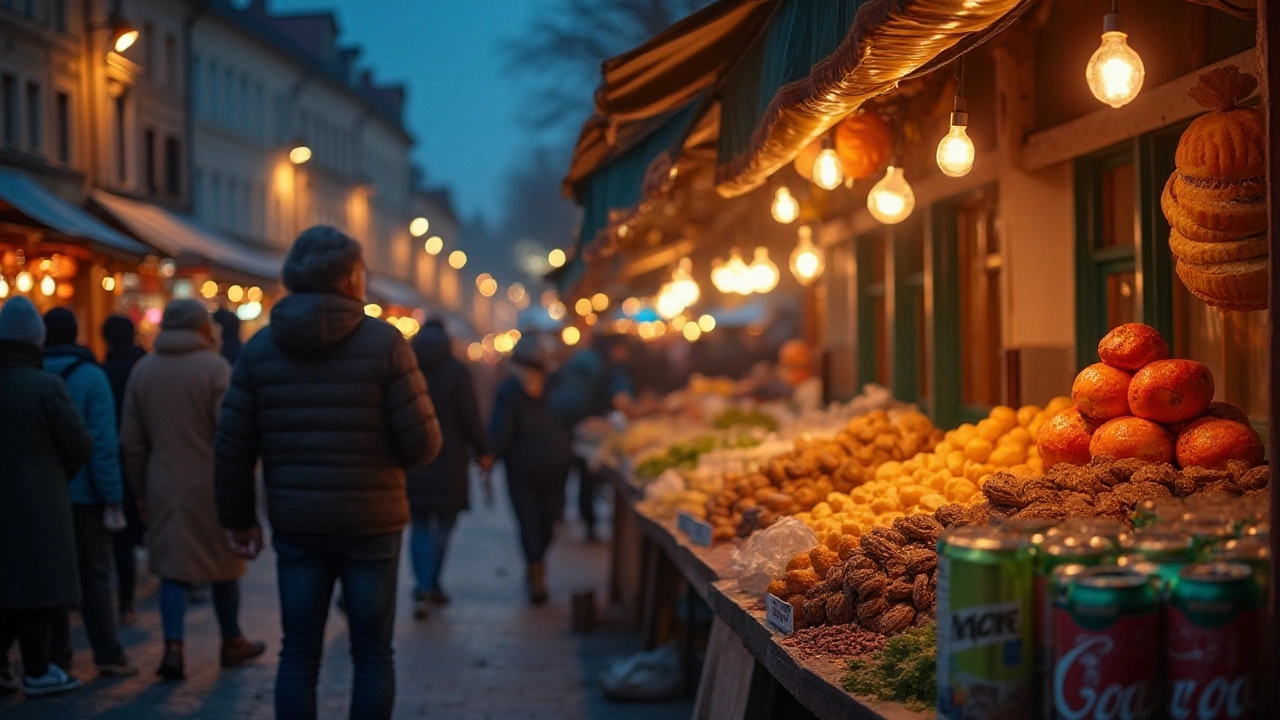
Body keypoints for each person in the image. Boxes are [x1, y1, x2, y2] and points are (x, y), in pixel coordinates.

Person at [215, 226, 442, 720]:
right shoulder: (386, 344)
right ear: (351, 277)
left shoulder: (259, 349)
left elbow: (233, 446)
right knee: (373, 652)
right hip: (373, 522)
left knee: (297, 654)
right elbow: (423, 443)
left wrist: (238, 519)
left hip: (298, 524)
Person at [120, 300, 266, 681]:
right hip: (212, 484)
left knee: (172, 569)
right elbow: (232, 435)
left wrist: (140, 488)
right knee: (224, 567)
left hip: (164, 481)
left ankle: (173, 647)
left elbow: (132, 442)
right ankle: (232, 639)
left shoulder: (144, 370)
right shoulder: (216, 369)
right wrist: (245, 486)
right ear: (205, 328)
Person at [0, 297, 92, 697]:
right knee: (39, 590)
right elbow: (80, 443)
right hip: (41, 504)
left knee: (6, 589)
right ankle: (38, 670)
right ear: (35, 341)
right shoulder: (46, 387)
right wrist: (55, 475)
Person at [41, 308, 137, 678]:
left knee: (53, 575)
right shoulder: (91, 377)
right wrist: (113, 495)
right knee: (96, 573)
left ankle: (57, 655)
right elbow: (102, 444)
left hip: (46, 494)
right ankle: (107, 653)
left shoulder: (31, 374)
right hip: (88, 494)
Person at [405, 320, 492, 619]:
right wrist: (482, 451)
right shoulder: (457, 371)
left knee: (418, 526)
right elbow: (470, 415)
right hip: (450, 458)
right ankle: (432, 583)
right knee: (443, 526)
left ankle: (422, 584)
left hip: (414, 457)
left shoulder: (407, 369)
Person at [488, 335, 573, 605]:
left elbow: (571, 416)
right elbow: (501, 428)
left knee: (546, 522)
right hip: (523, 468)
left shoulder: (556, 388)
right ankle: (536, 572)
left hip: (553, 467)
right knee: (530, 523)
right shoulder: (510, 391)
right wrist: (490, 454)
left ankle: (536, 564)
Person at [100, 315, 147, 625]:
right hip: (143, 458)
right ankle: (127, 601)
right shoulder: (144, 369)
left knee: (115, 539)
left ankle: (113, 602)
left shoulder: (100, 373)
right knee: (130, 536)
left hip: (108, 458)